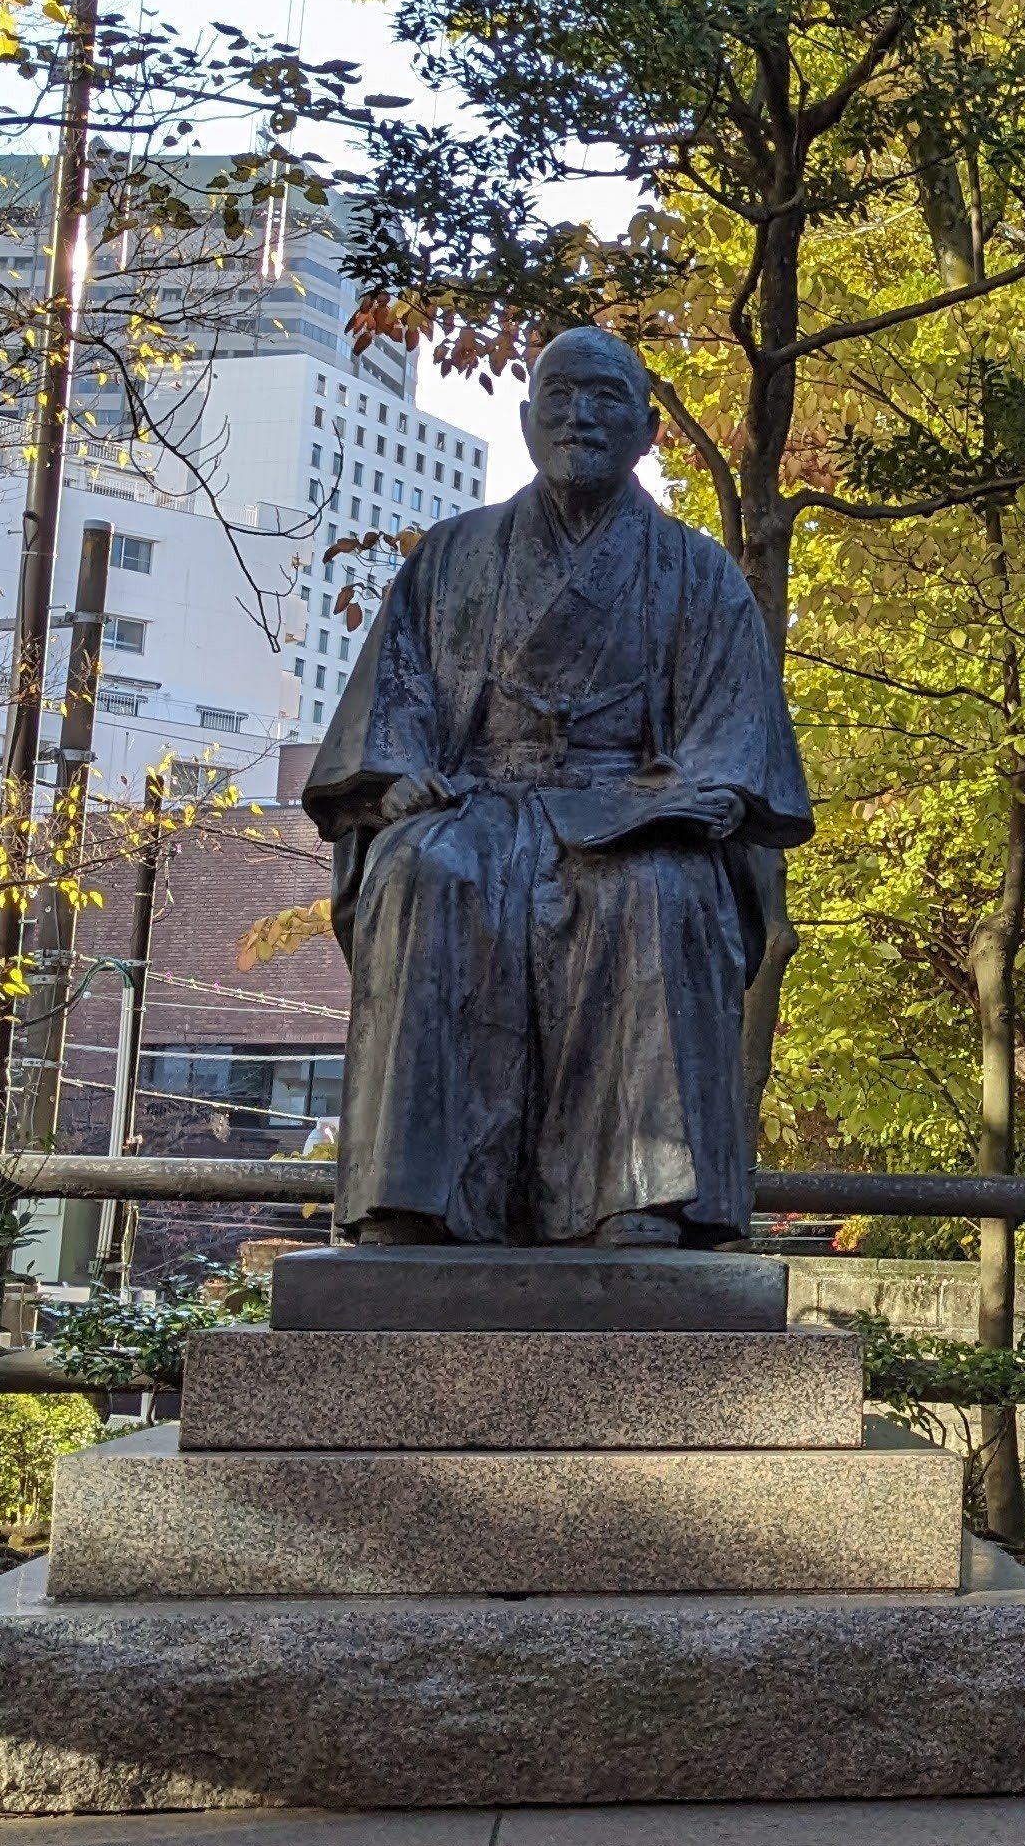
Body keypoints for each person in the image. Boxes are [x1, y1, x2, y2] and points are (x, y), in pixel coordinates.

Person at [299, 327, 812, 1246]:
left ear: (648, 429)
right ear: (529, 422)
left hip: (632, 806)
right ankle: (417, 1199)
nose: (582, 415)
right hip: (475, 801)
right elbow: (394, 706)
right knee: (422, 877)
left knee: (657, 890)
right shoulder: (452, 556)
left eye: (608, 397)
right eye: (562, 396)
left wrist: (707, 793)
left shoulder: (698, 573)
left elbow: (732, 738)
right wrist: (398, 780)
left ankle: (641, 1196)